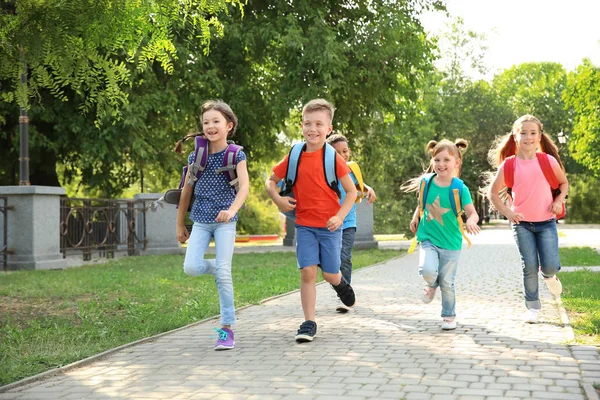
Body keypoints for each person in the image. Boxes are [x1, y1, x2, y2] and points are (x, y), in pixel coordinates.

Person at [265, 99, 357, 343]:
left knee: (329, 274)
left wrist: (339, 216)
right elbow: (270, 181)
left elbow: (352, 192)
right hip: (304, 225)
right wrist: (278, 199)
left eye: (319, 124)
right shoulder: (294, 154)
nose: (312, 129)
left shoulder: (334, 158)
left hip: (329, 228)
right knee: (307, 272)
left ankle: (341, 284)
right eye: (308, 123)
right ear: (302, 125)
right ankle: (309, 322)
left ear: (329, 128)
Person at [175, 100, 250, 350]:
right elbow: (186, 192)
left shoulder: (236, 154)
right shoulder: (196, 155)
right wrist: (179, 224)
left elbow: (245, 188)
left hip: (225, 222)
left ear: (229, 125)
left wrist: (231, 210)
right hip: (200, 220)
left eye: (215, 121)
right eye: (206, 122)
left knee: (224, 274)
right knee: (191, 268)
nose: (210, 126)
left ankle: (226, 329)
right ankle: (220, 268)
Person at [486, 114, 568, 324]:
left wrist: (558, 200)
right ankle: (532, 306)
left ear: (539, 137)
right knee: (529, 266)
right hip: (522, 225)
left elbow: (563, 184)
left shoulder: (547, 161)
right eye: (523, 132)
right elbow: (493, 194)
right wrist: (508, 213)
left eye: (533, 133)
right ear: (515, 136)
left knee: (549, 266)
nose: (528, 137)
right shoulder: (509, 165)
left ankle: (550, 277)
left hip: (546, 222)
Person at [403, 139, 480, 330]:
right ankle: (431, 284)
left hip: (451, 243)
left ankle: (448, 315)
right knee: (427, 270)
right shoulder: (426, 183)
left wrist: (471, 220)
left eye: (446, 159)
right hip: (428, 237)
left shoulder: (459, 188)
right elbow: (422, 203)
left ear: (457, 162)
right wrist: (415, 217)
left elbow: (472, 212)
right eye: (437, 159)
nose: (441, 164)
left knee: (447, 282)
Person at [326, 133, 377, 313]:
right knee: (328, 261)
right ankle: (341, 286)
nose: (343, 155)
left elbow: (359, 186)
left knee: (344, 257)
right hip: (328, 223)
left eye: (345, 151)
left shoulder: (350, 169)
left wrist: (369, 189)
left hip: (347, 222)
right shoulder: (324, 171)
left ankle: (343, 296)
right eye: (337, 152)